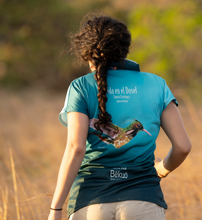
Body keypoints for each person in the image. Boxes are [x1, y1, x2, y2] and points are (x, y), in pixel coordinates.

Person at [47, 15, 191, 220]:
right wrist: (162, 169)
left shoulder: (80, 87)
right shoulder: (157, 84)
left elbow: (76, 148)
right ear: (125, 49)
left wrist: (56, 209)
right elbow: (183, 146)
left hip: (90, 202)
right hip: (144, 200)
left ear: (87, 53)